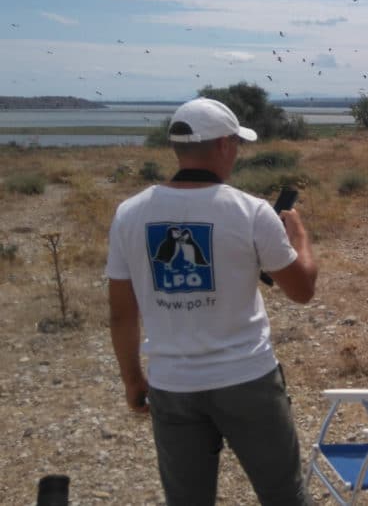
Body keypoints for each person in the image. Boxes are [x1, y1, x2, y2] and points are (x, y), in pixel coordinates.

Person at [106, 97, 318, 506]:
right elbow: (302, 289)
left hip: (172, 385)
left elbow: (121, 311)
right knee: (283, 495)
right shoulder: (251, 212)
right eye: (237, 143)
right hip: (247, 379)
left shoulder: (129, 214)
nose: (237, 153)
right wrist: (301, 238)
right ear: (223, 144)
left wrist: (133, 378)